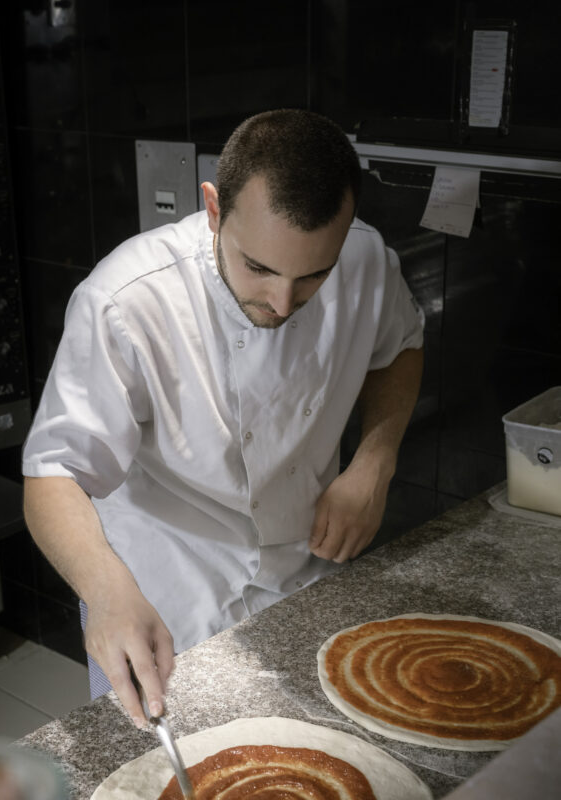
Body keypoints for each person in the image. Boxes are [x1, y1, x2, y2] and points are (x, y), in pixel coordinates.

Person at [22, 109, 424, 726]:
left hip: (304, 583)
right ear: (214, 209)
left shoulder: (366, 258)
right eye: (259, 267)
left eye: (314, 275)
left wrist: (374, 462)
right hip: (159, 605)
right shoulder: (127, 300)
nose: (282, 302)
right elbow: (53, 474)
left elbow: (400, 348)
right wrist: (103, 592)